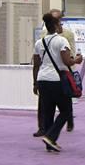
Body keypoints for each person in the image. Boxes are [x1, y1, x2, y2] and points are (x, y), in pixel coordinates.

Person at [33, 12, 77, 152]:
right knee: (65, 111)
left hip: (42, 79)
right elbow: (66, 61)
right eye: (60, 23)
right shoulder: (61, 41)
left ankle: (49, 143)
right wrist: (77, 60)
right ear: (56, 25)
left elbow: (36, 64)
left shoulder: (39, 43)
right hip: (57, 79)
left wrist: (35, 83)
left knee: (48, 111)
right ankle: (51, 137)